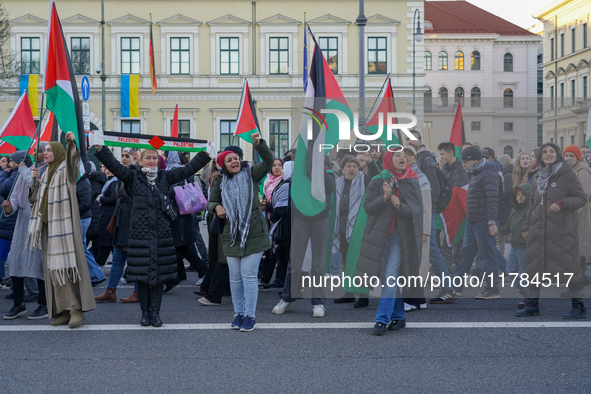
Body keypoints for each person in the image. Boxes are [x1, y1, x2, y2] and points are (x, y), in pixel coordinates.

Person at [95, 138, 211, 327]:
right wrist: (99, 147)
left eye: (154, 158)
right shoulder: (132, 177)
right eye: (148, 158)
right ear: (140, 160)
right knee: (142, 276)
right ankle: (144, 314)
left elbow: (188, 169)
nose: (151, 161)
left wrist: (206, 155)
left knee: (158, 277)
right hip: (139, 236)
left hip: (162, 236)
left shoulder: (165, 177)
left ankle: (155, 314)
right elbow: (113, 165)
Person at [27, 136, 96, 328]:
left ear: (57, 153)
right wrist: (34, 184)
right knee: (53, 270)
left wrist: (71, 144)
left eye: (49, 150)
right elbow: (34, 202)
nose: (45, 153)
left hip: (64, 229)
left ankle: (75, 309)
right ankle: (63, 310)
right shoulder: (44, 173)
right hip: (49, 228)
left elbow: (73, 162)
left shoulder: (65, 170)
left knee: (65, 267)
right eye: (45, 150)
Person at [207, 133, 273, 332]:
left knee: (249, 274)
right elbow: (210, 201)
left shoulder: (251, 173)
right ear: (223, 165)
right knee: (235, 276)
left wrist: (259, 145)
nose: (235, 161)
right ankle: (239, 313)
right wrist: (216, 207)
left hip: (254, 232)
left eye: (236, 157)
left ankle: (250, 316)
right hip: (232, 234)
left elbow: (269, 161)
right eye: (230, 159)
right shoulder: (220, 182)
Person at [357, 149, 423, 336]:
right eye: (398, 156)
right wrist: (384, 197)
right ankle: (399, 315)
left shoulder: (411, 179)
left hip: (399, 238)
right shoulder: (378, 179)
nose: (403, 158)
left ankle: (381, 319)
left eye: (404, 156)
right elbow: (368, 207)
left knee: (391, 276)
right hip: (379, 236)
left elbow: (416, 212)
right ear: (388, 159)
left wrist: (400, 206)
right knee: (388, 278)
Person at [520, 143, 587, 318]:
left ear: (557, 155)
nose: (548, 154)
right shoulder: (536, 177)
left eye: (552, 152)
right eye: (545, 152)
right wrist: (526, 226)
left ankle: (578, 307)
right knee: (535, 268)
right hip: (538, 230)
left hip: (561, 232)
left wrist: (563, 203)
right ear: (541, 156)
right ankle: (533, 305)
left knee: (570, 268)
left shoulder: (567, 174)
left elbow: (581, 198)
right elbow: (532, 205)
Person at [272, 148, 336, 319]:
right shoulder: (297, 176)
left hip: (320, 218)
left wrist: (317, 169)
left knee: (318, 264)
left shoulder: (325, 173)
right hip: (300, 219)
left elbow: (331, 187)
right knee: (295, 261)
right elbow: (293, 199)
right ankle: (287, 298)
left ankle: (318, 302)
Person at [2, 151, 48, 320]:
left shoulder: (46, 170)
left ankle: (44, 304)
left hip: (37, 219)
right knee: (15, 260)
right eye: (35, 151)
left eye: (41, 151)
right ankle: (18, 304)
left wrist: (24, 171)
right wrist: (9, 207)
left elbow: (37, 189)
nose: (37, 153)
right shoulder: (24, 172)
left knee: (38, 262)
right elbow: (15, 196)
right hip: (22, 220)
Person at [451, 147, 501, 300]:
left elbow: (492, 199)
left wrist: (491, 222)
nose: (464, 165)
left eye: (465, 161)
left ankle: (493, 289)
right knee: (466, 254)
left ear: (474, 160)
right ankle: (455, 287)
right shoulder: (477, 173)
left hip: (483, 220)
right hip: (473, 221)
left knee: (487, 255)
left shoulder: (488, 173)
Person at [94, 148, 136, 303]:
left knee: (135, 259)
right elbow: (112, 163)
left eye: (128, 156)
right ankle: (110, 291)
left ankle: (138, 292)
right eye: (123, 156)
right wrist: (100, 147)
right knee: (118, 259)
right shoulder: (121, 176)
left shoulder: (136, 175)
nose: (124, 158)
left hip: (133, 223)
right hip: (121, 222)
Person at [164, 150, 208, 292]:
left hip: (177, 214)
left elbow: (172, 192)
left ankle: (203, 271)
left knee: (180, 246)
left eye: (164, 155)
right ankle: (179, 275)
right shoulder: (182, 170)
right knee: (178, 245)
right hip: (185, 212)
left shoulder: (172, 171)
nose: (162, 158)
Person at [331, 155, 371, 308]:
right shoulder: (337, 184)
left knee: (360, 262)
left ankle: (363, 294)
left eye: (355, 166)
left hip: (359, 229)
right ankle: (349, 292)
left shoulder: (366, 181)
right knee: (346, 261)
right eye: (348, 166)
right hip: (342, 229)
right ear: (342, 170)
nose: (352, 169)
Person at [402, 146, 431, 311]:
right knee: (412, 262)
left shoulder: (420, 176)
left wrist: (425, 230)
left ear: (415, 158)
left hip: (418, 227)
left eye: (410, 154)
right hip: (409, 226)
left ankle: (412, 301)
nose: (406, 157)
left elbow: (427, 206)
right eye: (403, 154)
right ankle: (419, 300)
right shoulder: (403, 175)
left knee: (415, 264)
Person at [563, 145, 591, 294]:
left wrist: (570, 217)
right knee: (573, 254)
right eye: (566, 156)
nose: (568, 159)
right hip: (571, 216)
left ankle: (576, 287)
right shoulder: (570, 171)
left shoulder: (583, 172)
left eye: (571, 156)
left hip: (579, 218)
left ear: (578, 157)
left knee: (577, 254)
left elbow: (582, 197)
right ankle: (581, 281)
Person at [498, 184, 531, 303]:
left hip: (524, 246)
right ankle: (526, 292)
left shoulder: (529, 210)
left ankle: (530, 298)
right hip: (514, 246)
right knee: (510, 271)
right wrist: (498, 230)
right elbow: (509, 225)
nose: (520, 197)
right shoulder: (514, 209)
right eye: (518, 195)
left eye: (523, 195)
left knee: (524, 274)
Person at [78, 161, 107, 286]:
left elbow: (86, 203)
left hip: (89, 218)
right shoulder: (101, 181)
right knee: (87, 247)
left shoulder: (86, 182)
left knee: (82, 248)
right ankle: (93, 274)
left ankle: (96, 274)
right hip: (95, 218)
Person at [258, 158, 284, 289]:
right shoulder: (268, 181)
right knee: (269, 251)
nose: (277, 167)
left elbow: (282, 203)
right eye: (274, 165)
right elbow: (266, 197)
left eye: (280, 165)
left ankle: (269, 280)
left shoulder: (284, 182)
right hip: (268, 219)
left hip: (279, 219)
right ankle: (266, 280)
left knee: (275, 251)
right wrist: (264, 204)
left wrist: (268, 207)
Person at [93, 166, 118, 266]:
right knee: (108, 247)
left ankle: (96, 273)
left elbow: (113, 199)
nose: (108, 170)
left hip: (110, 217)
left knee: (106, 246)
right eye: (106, 169)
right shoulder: (110, 182)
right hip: (107, 216)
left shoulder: (114, 182)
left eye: (110, 168)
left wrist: (101, 199)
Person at [0, 154, 18, 287]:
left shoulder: (9, 177)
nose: (6, 163)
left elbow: (3, 189)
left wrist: (3, 174)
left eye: (5, 161)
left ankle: (3, 277)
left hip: (8, 217)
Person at [86, 161, 106, 257]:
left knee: (82, 250)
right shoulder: (103, 182)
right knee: (97, 250)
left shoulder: (85, 183)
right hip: (99, 220)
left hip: (87, 220)